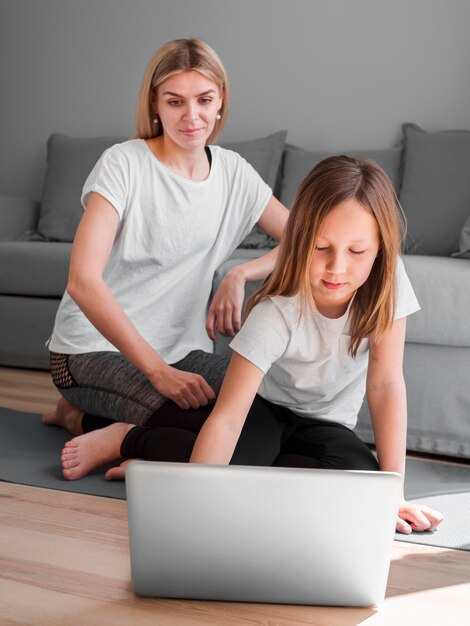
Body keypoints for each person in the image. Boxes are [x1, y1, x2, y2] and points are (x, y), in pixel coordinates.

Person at [60, 155, 443, 534]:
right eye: (321, 248)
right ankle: (128, 437)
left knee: (363, 488)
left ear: (380, 249)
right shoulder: (276, 311)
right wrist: (194, 506)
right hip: (265, 408)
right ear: (298, 241)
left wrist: (394, 492)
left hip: (326, 423)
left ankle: (173, 461)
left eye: (356, 251)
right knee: (231, 474)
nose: (337, 268)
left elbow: (385, 385)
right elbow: (227, 419)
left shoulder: (389, 282)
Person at [42, 38, 288, 437]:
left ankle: (99, 421)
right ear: (155, 103)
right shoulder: (123, 164)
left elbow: (304, 239)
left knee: (263, 407)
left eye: (204, 100)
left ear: (221, 99)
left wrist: (239, 274)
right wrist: (159, 373)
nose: (192, 117)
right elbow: (82, 282)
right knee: (201, 427)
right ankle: (86, 421)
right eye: (175, 102)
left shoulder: (234, 173)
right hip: (87, 351)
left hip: (182, 351)